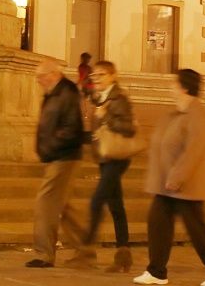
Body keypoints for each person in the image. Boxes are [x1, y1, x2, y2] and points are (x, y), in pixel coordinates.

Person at [133, 69, 205, 286]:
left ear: (185, 87)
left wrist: (177, 177)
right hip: (167, 186)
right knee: (158, 224)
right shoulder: (176, 114)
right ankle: (157, 272)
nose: (171, 87)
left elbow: (195, 150)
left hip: (187, 186)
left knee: (198, 231)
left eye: (174, 83)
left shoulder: (198, 116)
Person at [69, 60, 137, 273]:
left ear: (112, 76)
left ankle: (85, 252)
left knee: (97, 201)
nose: (95, 79)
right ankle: (123, 255)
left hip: (117, 157)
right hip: (104, 157)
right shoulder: (99, 98)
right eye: (94, 75)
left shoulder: (119, 99)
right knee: (116, 205)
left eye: (101, 75)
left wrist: (105, 116)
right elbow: (99, 132)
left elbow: (129, 128)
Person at [26, 58, 88, 269]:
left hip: (64, 157)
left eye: (41, 77)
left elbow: (72, 128)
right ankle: (86, 250)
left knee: (46, 204)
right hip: (58, 156)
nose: (39, 81)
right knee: (63, 207)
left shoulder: (66, 93)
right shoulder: (54, 93)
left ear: (54, 74)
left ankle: (44, 254)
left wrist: (50, 146)